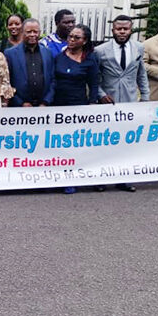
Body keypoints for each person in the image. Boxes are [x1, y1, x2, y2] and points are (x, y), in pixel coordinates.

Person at [95, 15, 148, 193]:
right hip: (107, 103)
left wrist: (145, 98)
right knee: (106, 141)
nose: (122, 32)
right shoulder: (100, 50)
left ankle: (124, 178)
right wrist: (100, 94)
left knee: (126, 142)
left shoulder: (139, 47)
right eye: (119, 29)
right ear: (113, 30)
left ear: (131, 29)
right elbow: (94, 78)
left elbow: (141, 75)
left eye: (126, 29)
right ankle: (102, 178)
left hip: (130, 102)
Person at [53, 24, 100, 194]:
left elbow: (94, 84)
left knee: (74, 144)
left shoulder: (90, 60)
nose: (72, 40)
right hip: (58, 106)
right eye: (70, 36)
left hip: (78, 107)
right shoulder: (59, 57)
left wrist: (92, 104)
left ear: (85, 41)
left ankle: (73, 178)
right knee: (59, 144)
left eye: (76, 37)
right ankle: (57, 177)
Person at [5, 18, 55, 107]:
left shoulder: (48, 53)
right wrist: (21, 103)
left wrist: (46, 101)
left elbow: (53, 79)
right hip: (19, 109)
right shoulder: (10, 54)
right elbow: (7, 82)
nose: (32, 35)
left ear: (40, 32)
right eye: (28, 32)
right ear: (22, 32)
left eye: (35, 32)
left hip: (43, 107)